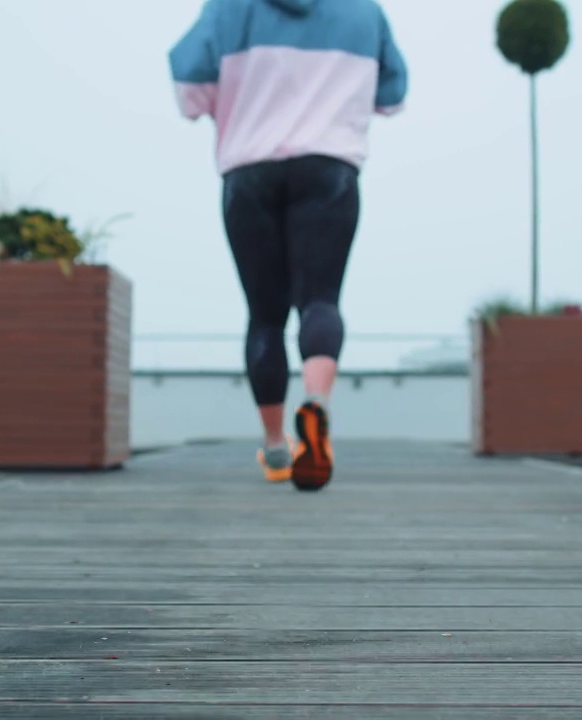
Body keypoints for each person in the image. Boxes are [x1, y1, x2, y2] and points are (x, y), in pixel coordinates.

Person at [169, 0, 408, 491]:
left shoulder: (227, 8)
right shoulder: (365, 11)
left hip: (249, 170)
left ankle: (277, 448)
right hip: (330, 168)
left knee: (265, 315)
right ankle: (316, 407)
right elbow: (392, 94)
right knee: (320, 299)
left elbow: (189, 92)